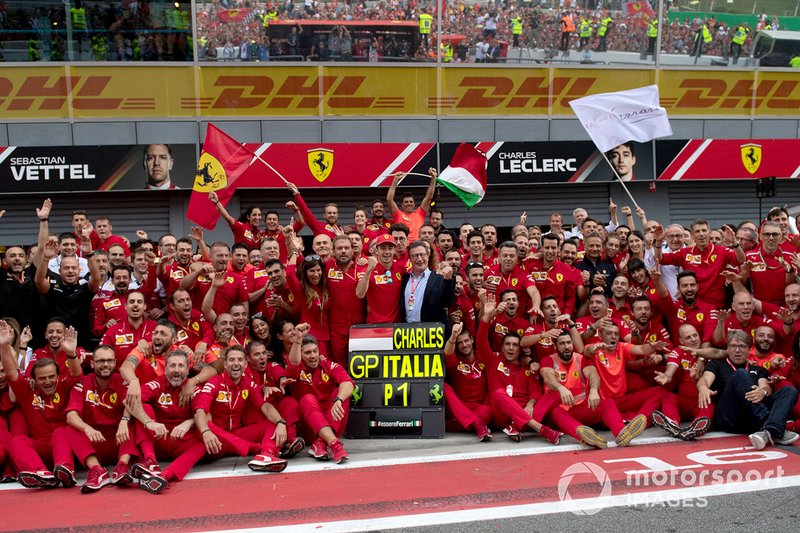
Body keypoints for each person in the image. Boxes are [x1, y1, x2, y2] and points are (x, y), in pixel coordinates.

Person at [1, 321, 82, 488]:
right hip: (41, 448)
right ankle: (43, 474)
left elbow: (75, 374)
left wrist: (72, 353)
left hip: (65, 445)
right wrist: (4, 346)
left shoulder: (63, 386)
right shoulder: (27, 390)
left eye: (51, 377)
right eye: (42, 378)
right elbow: (11, 372)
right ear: (34, 380)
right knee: (17, 441)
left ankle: (65, 470)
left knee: (61, 431)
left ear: (58, 376)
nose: (47, 382)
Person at [536, 331, 647, 449]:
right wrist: (560, 388)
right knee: (556, 413)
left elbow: (593, 375)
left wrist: (594, 390)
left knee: (607, 403)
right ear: (555, 346)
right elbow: (547, 376)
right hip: (559, 410)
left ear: (572, 344)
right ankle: (583, 434)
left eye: (569, 342)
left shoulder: (580, 359)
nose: (566, 346)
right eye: (562, 343)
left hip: (579, 408)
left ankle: (622, 432)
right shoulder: (548, 360)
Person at [477, 293, 563, 444]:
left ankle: (516, 426)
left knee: (555, 393)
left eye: (515, 345)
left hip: (525, 411)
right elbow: (481, 341)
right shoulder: (493, 360)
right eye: (507, 345)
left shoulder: (528, 367)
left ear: (520, 349)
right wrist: (486, 316)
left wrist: (530, 404)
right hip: (502, 415)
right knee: (498, 393)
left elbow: (535, 390)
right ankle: (541, 429)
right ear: (502, 348)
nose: (511, 348)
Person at [193, 345, 289, 473]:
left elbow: (264, 406)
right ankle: (255, 448)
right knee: (205, 426)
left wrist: (280, 422)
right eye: (232, 360)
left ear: (245, 364)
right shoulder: (214, 382)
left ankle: (265, 455)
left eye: (240, 360)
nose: (236, 364)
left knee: (273, 422)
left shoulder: (248, 383)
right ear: (225, 364)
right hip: (216, 440)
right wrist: (205, 431)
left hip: (236, 434)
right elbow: (200, 410)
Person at [697, 330, 798, 449]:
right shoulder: (717, 364)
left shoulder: (758, 369)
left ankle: (768, 430)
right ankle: (772, 426)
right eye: (733, 346)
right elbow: (705, 379)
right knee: (740, 374)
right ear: (728, 349)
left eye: (742, 346)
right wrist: (703, 387)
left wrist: (763, 391)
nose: (737, 350)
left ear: (750, 349)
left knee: (789, 390)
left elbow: (765, 386)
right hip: (729, 418)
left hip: (751, 420)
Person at [124, 349, 207, 494]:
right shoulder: (156, 384)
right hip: (157, 439)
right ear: (166, 368)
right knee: (143, 409)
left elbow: (206, 414)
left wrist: (189, 422)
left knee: (204, 442)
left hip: (181, 440)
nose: (176, 370)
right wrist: (149, 423)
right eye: (172, 366)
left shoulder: (195, 388)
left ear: (188, 370)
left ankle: (163, 477)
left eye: (181, 366)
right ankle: (150, 462)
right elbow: (129, 402)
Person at [64, 345, 138, 493]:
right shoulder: (82, 383)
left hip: (118, 440)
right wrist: (87, 428)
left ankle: (122, 467)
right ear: (92, 364)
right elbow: (71, 415)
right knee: (69, 428)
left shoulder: (122, 381)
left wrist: (124, 420)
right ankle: (98, 470)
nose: (106, 364)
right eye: (101, 361)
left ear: (116, 363)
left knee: (132, 422)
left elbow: (130, 405)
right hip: (94, 442)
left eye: (110, 361)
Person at [286, 324, 354, 463]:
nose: (313, 356)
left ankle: (321, 443)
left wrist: (338, 399)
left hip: (332, 423)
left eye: (315, 351)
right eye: (308, 353)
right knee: (307, 399)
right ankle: (334, 445)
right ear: (301, 354)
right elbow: (293, 362)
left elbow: (348, 383)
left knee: (341, 393)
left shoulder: (328, 365)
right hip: (308, 428)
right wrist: (298, 339)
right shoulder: (297, 369)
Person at [655, 219, 744, 309]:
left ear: (709, 233)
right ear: (693, 236)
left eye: (704, 230)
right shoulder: (685, 253)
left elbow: (740, 260)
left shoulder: (722, 251)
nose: (701, 234)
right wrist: (658, 242)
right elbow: (660, 259)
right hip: (692, 306)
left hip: (716, 306)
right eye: (697, 231)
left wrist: (734, 243)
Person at [442, 322, 491, 441]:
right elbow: (447, 354)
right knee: (444, 387)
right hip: (457, 408)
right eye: (460, 343)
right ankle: (478, 425)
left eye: (466, 341)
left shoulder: (483, 357)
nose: (464, 345)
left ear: (472, 340)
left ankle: (449, 426)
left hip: (478, 408)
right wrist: (453, 336)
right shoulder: (455, 360)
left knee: (487, 412)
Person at [400, 240, 455, 325]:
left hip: (431, 331)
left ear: (428, 256)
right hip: (408, 331)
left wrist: (448, 281)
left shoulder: (439, 277)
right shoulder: (404, 279)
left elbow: (448, 301)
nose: (419, 259)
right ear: (410, 258)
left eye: (422, 254)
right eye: (415, 255)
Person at [356, 234, 404, 324]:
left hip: (396, 325)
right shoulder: (367, 269)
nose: (387, 252)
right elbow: (359, 294)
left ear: (394, 251)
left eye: (390, 248)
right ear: (376, 251)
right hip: (374, 325)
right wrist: (369, 269)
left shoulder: (401, 268)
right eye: (383, 248)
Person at [386, 168, 437, 242]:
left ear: (414, 204)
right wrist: (395, 180)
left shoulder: (420, 213)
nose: (408, 203)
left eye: (410, 202)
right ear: (402, 205)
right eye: (406, 202)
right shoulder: (398, 214)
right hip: (403, 246)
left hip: (418, 246)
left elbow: (429, 197)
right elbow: (389, 199)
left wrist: (433, 178)